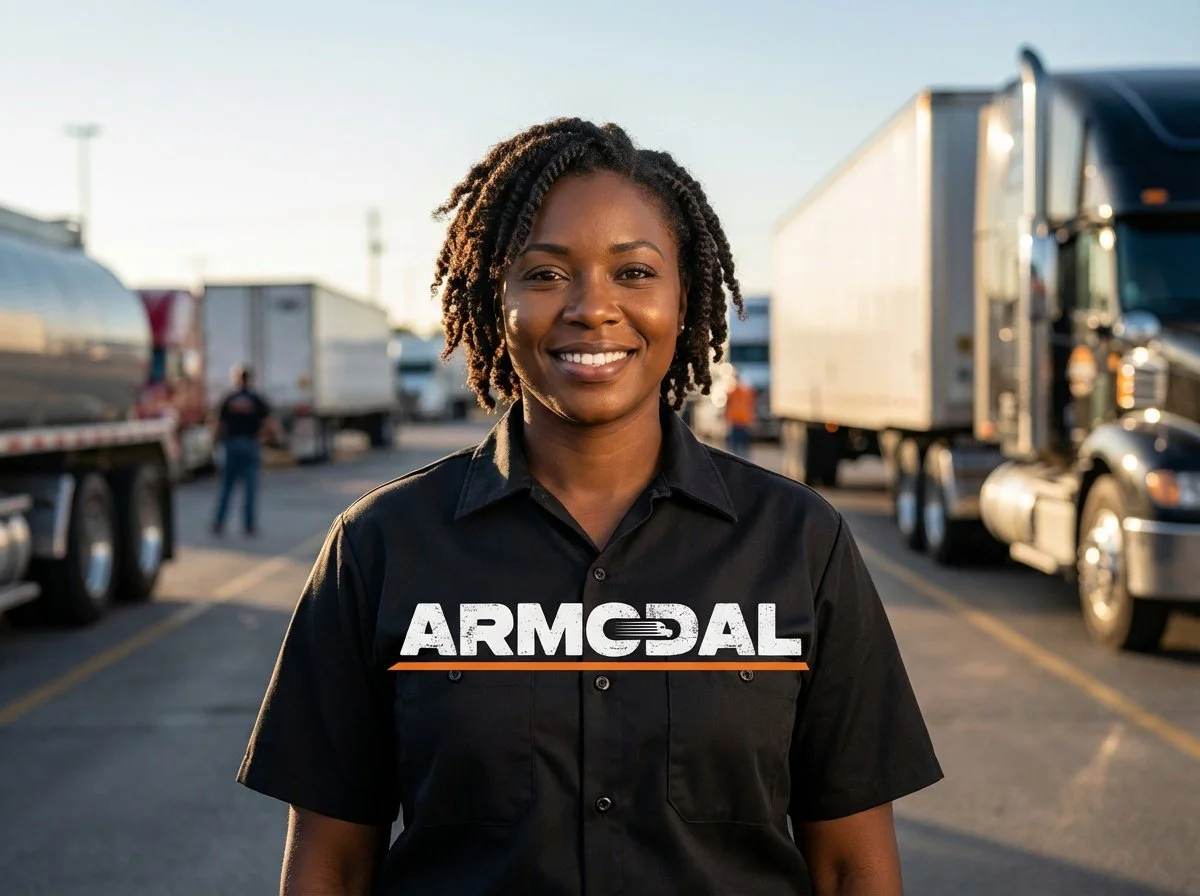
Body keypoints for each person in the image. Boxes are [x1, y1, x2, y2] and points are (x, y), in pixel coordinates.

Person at [236, 118, 943, 896]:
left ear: (686, 295)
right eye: (544, 274)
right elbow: (330, 868)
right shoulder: (378, 548)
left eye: (634, 272)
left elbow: (851, 867)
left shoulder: (800, 544)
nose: (591, 308)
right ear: (493, 298)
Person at [211, 363, 271, 536]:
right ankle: (249, 526)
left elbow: (220, 425)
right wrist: (261, 437)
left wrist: (216, 443)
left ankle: (219, 522)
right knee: (250, 489)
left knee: (226, 487)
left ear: (236, 379)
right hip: (250, 444)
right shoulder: (256, 399)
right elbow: (268, 423)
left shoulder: (229, 399)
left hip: (232, 444)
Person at [724, 367, 757, 458]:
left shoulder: (744, 391)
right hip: (737, 420)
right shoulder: (735, 391)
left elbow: (751, 405)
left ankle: (741, 458)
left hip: (742, 420)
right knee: (737, 443)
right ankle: (738, 458)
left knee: (742, 443)